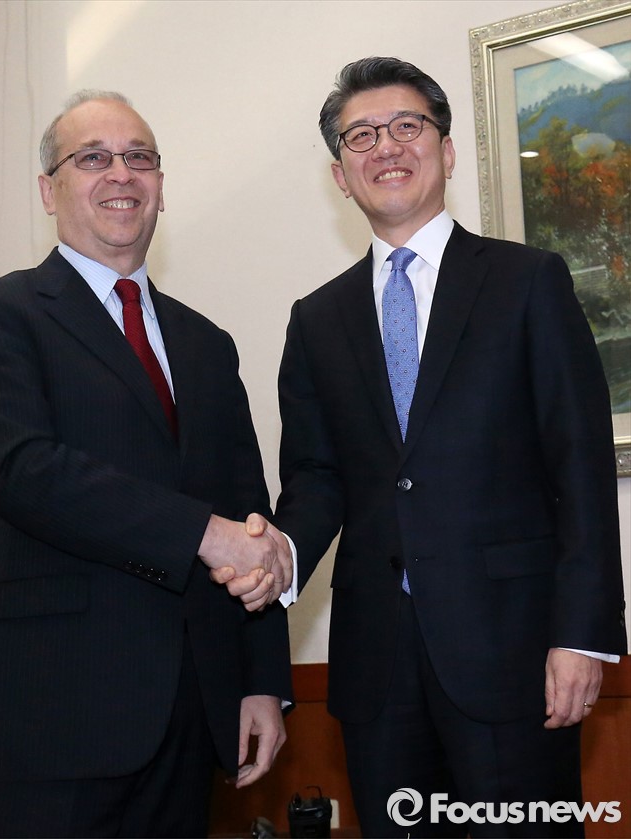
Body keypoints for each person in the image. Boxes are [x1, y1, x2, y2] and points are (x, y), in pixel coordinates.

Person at [270, 57, 627, 838]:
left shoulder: (528, 282)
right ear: (340, 175)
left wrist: (582, 632)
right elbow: (316, 477)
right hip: (376, 670)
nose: (385, 146)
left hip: (516, 655)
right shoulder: (316, 319)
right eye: (361, 136)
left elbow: (579, 463)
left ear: (447, 149)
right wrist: (279, 554)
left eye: (407, 126)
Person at [0, 90, 292, 838]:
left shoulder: (206, 343)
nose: (121, 173)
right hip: (45, 720)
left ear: (160, 185)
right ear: (49, 189)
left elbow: (248, 511)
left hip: (189, 720)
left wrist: (261, 682)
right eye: (93, 158)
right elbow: (24, 470)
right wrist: (206, 535)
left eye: (140, 157)